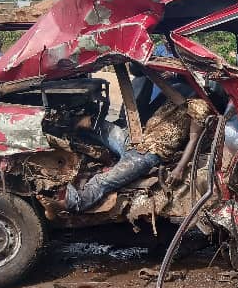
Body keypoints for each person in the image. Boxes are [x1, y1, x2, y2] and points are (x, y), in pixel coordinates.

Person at [65, 86, 211, 213]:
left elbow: (194, 139)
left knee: (102, 182)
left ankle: (70, 203)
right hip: (135, 139)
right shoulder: (178, 91)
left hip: (148, 154)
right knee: (95, 125)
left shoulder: (200, 106)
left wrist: (179, 168)